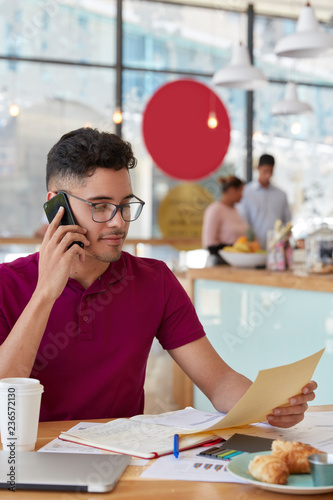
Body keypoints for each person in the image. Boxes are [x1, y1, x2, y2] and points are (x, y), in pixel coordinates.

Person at [0, 128, 316, 426]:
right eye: (100, 206)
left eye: (125, 205)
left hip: (120, 464)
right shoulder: (7, 284)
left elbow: (219, 381)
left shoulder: (155, 281)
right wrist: (45, 293)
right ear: (57, 205)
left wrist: (270, 406)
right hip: (24, 462)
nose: (118, 223)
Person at [237, 154, 291, 249]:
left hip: (276, 247)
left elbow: (286, 221)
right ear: (258, 168)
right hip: (253, 246)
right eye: (265, 171)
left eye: (271, 171)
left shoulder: (281, 194)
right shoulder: (246, 192)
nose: (268, 175)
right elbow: (243, 220)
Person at [202, 176, 249, 265]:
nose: (242, 195)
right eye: (241, 191)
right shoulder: (215, 209)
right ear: (232, 190)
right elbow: (210, 244)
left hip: (236, 264)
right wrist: (235, 249)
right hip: (220, 264)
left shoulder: (236, 210)